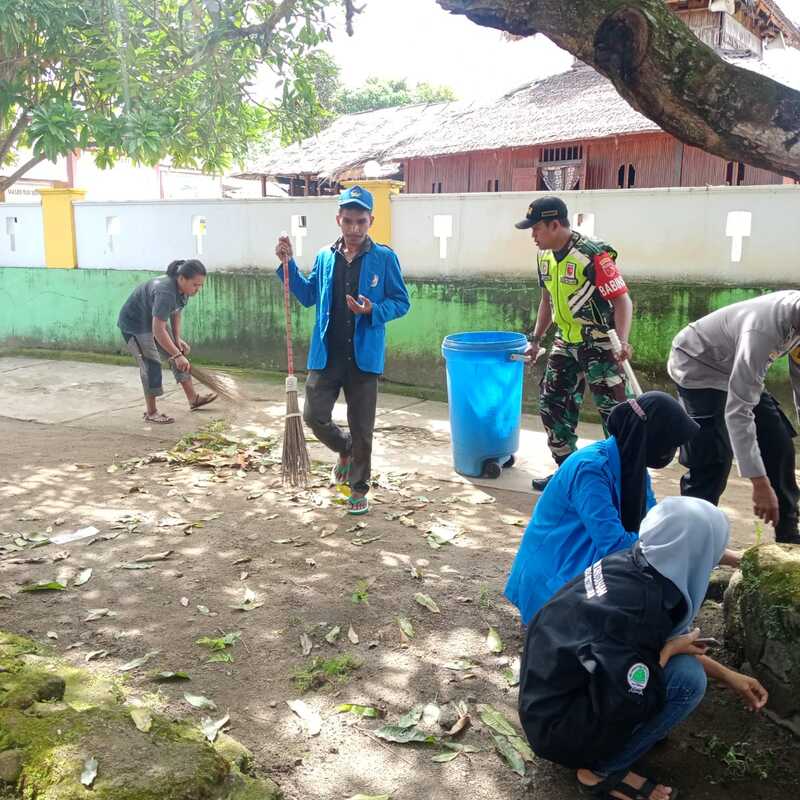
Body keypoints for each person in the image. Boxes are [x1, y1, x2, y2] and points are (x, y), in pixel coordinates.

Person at [518, 496, 768, 800]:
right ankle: (600, 772)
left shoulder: (636, 561)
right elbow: (626, 692)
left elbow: (638, 650)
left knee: (676, 666)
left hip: (547, 696)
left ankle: (618, 742)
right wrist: (670, 650)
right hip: (558, 730)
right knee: (688, 680)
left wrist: (729, 676)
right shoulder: (644, 612)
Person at [505, 391, 737, 625]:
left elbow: (656, 529)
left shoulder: (634, 469)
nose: (672, 454)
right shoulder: (591, 470)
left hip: (585, 563)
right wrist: (684, 549)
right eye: (671, 445)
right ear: (654, 438)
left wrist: (721, 554)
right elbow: (615, 544)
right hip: (554, 576)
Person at [275, 185, 411, 515]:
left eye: (361, 221)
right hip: (327, 353)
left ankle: (358, 487)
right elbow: (308, 295)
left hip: (364, 357)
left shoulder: (384, 258)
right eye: (348, 221)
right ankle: (344, 448)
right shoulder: (325, 256)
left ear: (371, 221)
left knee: (363, 426)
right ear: (339, 219)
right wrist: (288, 264)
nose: (354, 228)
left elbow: (401, 302)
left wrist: (373, 310)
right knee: (313, 416)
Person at [516, 196, 634, 492]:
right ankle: (568, 473)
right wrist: (535, 340)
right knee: (552, 406)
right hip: (565, 342)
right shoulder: (544, 257)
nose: (533, 235)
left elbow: (622, 301)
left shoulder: (592, 255)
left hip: (600, 344)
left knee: (616, 414)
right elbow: (546, 300)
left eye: (536, 229)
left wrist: (622, 341)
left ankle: (620, 480)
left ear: (555, 225)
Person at [668, 290, 800, 544]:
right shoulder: (763, 331)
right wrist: (759, 483)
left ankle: (788, 532)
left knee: (778, 442)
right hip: (697, 363)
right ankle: (690, 540)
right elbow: (739, 410)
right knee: (713, 457)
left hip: (735, 365)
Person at [117, 259, 216, 424]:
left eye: (200, 285)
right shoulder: (165, 292)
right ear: (182, 278)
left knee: (178, 352)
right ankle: (151, 412)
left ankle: (193, 399)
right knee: (151, 363)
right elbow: (158, 330)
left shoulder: (184, 290)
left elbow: (176, 312)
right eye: (195, 285)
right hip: (135, 324)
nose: (198, 289)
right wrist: (176, 355)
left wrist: (177, 341)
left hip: (153, 320)